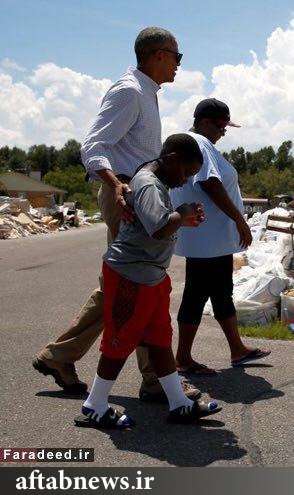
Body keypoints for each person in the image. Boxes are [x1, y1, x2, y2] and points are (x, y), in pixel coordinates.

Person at [33, 26, 200, 403]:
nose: (178, 65)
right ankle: (155, 379)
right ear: (159, 54)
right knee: (141, 282)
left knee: (126, 285)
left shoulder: (146, 93)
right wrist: (116, 185)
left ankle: (60, 357)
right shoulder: (130, 91)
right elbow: (93, 145)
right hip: (126, 196)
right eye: (178, 57)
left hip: (136, 194)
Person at [76, 133, 221, 428]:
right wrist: (181, 213)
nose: (184, 181)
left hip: (151, 275)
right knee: (119, 340)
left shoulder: (156, 183)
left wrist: (183, 218)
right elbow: (158, 228)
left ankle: (179, 403)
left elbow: (160, 225)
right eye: (185, 173)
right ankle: (94, 405)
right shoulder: (147, 184)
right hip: (131, 274)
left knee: (159, 340)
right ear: (171, 159)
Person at [169, 98, 269, 375]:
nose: (224, 131)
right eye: (221, 125)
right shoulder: (200, 143)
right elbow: (209, 182)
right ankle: (183, 358)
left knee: (221, 293)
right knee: (196, 295)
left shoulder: (201, 144)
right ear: (203, 122)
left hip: (211, 240)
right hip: (207, 239)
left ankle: (237, 349)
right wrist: (240, 219)